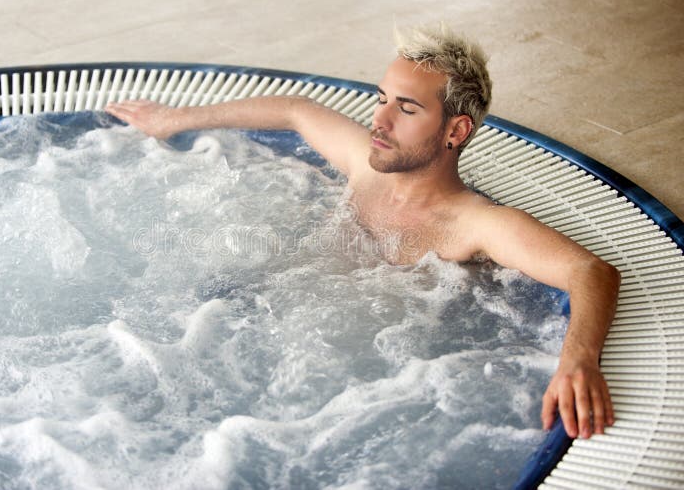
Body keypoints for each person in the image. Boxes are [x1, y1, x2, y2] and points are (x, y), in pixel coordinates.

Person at [106, 24, 620, 440]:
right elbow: (293, 110)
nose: (380, 120)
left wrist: (578, 359)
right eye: (381, 98)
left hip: (328, 380)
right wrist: (173, 119)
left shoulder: (473, 223)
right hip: (252, 322)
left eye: (407, 108)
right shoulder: (369, 167)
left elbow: (589, 271)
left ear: (456, 132)